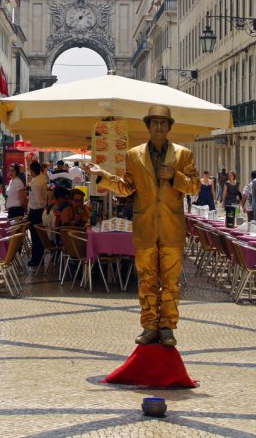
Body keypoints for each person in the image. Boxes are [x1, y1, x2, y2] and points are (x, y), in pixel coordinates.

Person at [85, 104, 200, 348]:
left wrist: (175, 177)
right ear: (148, 127)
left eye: (163, 123)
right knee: (147, 279)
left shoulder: (183, 155)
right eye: (154, 122)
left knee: (170, 281)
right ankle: (149, 325)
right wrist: (101, 174)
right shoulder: (133, 155)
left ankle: (167, 326)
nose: (159, 126)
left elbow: (195, 186)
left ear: (169, 127)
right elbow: (126, 187)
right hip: (145, 226)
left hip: (171, 228)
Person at [27, 160, 48, 266]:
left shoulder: (36, 183)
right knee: (38, 237)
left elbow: (39, 201)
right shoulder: (42, 179)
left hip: (36, 212)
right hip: (39, 211)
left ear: (32, 171)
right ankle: (37, 258)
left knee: (36, 237)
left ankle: (36, 259)